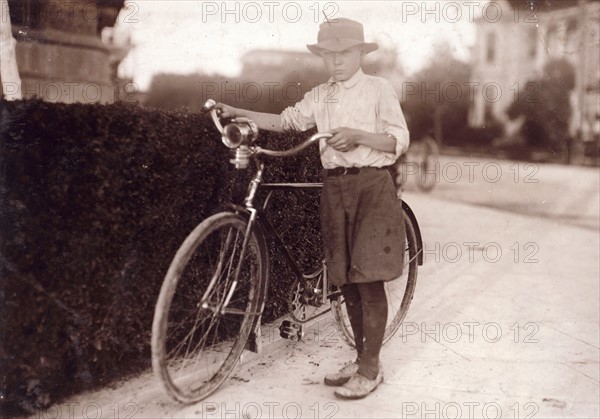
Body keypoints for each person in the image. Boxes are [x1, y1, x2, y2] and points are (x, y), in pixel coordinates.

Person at [216, 17, 409, 400]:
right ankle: (360, 360)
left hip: (371, 186)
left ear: (359, 54)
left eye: (345, 53)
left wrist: (358, 136)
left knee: (368, 280)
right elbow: (286, 121)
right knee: (346, 282)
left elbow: (398, 140)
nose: (336, 62)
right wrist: (237, 111)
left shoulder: (378, 89)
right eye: (329, 55)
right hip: (334, 188)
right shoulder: (321, 95)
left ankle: (371, 369)